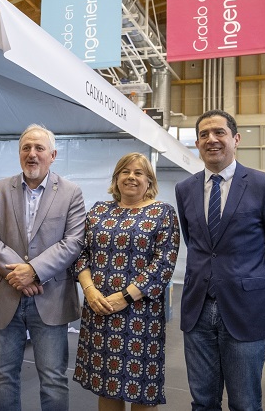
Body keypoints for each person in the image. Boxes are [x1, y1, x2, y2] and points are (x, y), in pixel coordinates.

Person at [175, 109, 265, 411]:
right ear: (197, 142)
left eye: (219, 132)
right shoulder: (185, 189)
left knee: (244, 403)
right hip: (197, 309)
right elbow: (197, 242)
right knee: (202, 401)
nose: (211, 139)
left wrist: (263, 290)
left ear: (236, 139)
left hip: (246, 309)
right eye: (204, 134)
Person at [0, 124, 86, 411]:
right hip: (6, 296)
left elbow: (73, 241)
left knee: (54, 380)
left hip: (51, 298)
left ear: (52, 155)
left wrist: (34, 271)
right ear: (19, 153)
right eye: (26, 148)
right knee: (3, 377)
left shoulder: (71, 193)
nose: (32, 154)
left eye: (39, 148)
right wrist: (18, 275)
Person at [73, 153, 180, 410]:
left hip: (141, 315)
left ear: (149, 180)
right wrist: (89, 291)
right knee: (107, 386)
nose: (131, 177)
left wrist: (125, 297)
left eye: (139, 173)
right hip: (99, 310)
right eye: (125, 171)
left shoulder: (162, 213)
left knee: (142, 388)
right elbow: (81, 254)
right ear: (116, 177)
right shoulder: (98, 210)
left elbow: (163, 264)